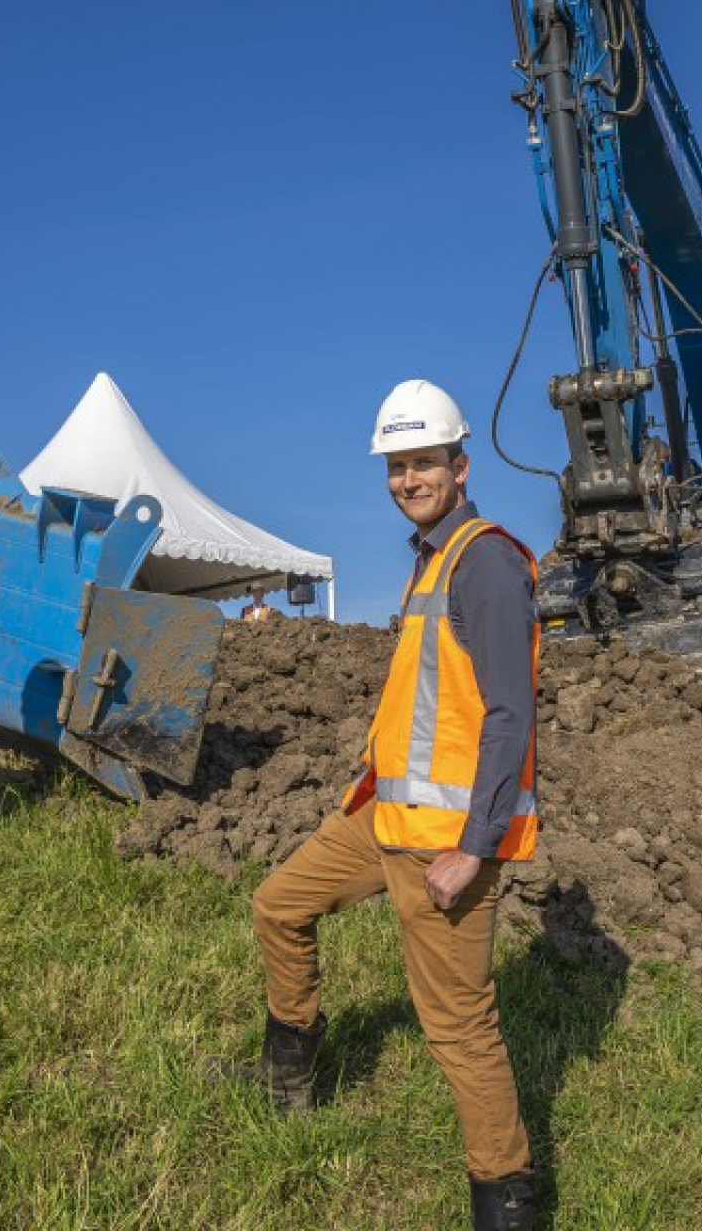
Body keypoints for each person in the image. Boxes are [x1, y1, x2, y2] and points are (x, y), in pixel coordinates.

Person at [243, 379, 543, 1230]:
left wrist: (475, 850)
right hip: (382, 820)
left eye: (423, 463)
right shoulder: (431, 558)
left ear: (459, 464)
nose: (408, 479)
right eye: (396, 466)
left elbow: (510, 715)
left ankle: (508, 1197)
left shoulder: (484, 560)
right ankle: (288, 1077)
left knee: (459, 1032)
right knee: (278, 905)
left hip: (443, 843)